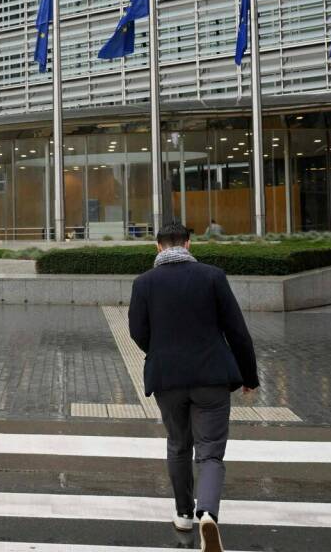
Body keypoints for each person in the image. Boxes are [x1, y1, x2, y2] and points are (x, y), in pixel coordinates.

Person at [128, 222, 258, 552]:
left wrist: (160, 353)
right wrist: (249, 377)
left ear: (157, 247)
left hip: (167, 379)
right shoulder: (212, 276)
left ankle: (184, 513)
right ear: (188, 244)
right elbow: (237, 331)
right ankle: (208, 514)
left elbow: (137, 331)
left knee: (178, 444)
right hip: (212, 377)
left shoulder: (144, 283)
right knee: (211, 451)